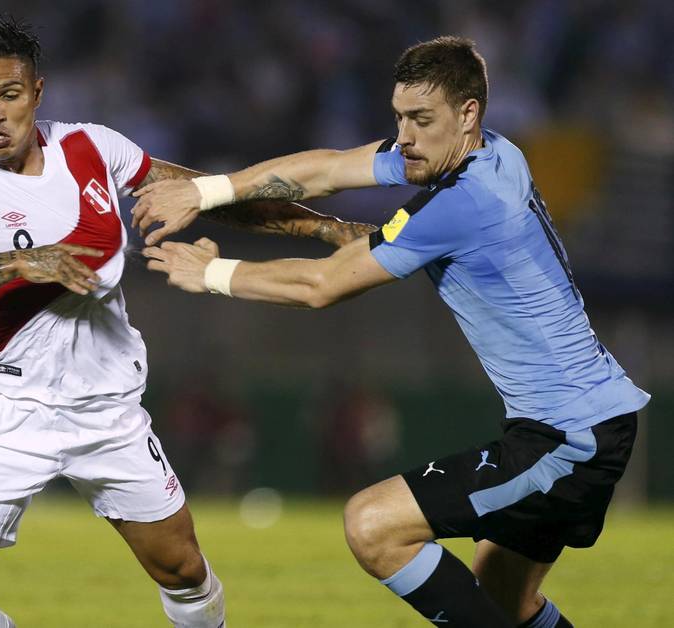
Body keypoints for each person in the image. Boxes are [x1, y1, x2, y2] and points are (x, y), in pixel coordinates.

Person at [135, 36, 650, 627]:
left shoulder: (467, 202)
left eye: (421, 119)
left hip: (569, 436)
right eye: (399, 116)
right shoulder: (499, 154)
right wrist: (207, 190)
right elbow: (327, 169)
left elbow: (321, 287)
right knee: (507, 602)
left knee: (373, 525)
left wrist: (213, 273)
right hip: (586, 421)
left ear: (468, 114)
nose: (404, 135)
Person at [0, 16, 370, 628]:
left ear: (37, 93)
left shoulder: (92, 148)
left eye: (9, 94)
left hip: (106, 408)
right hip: (4, 410)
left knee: (184, 572)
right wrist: (15, 263)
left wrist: (330, 228)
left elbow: (209, 196)